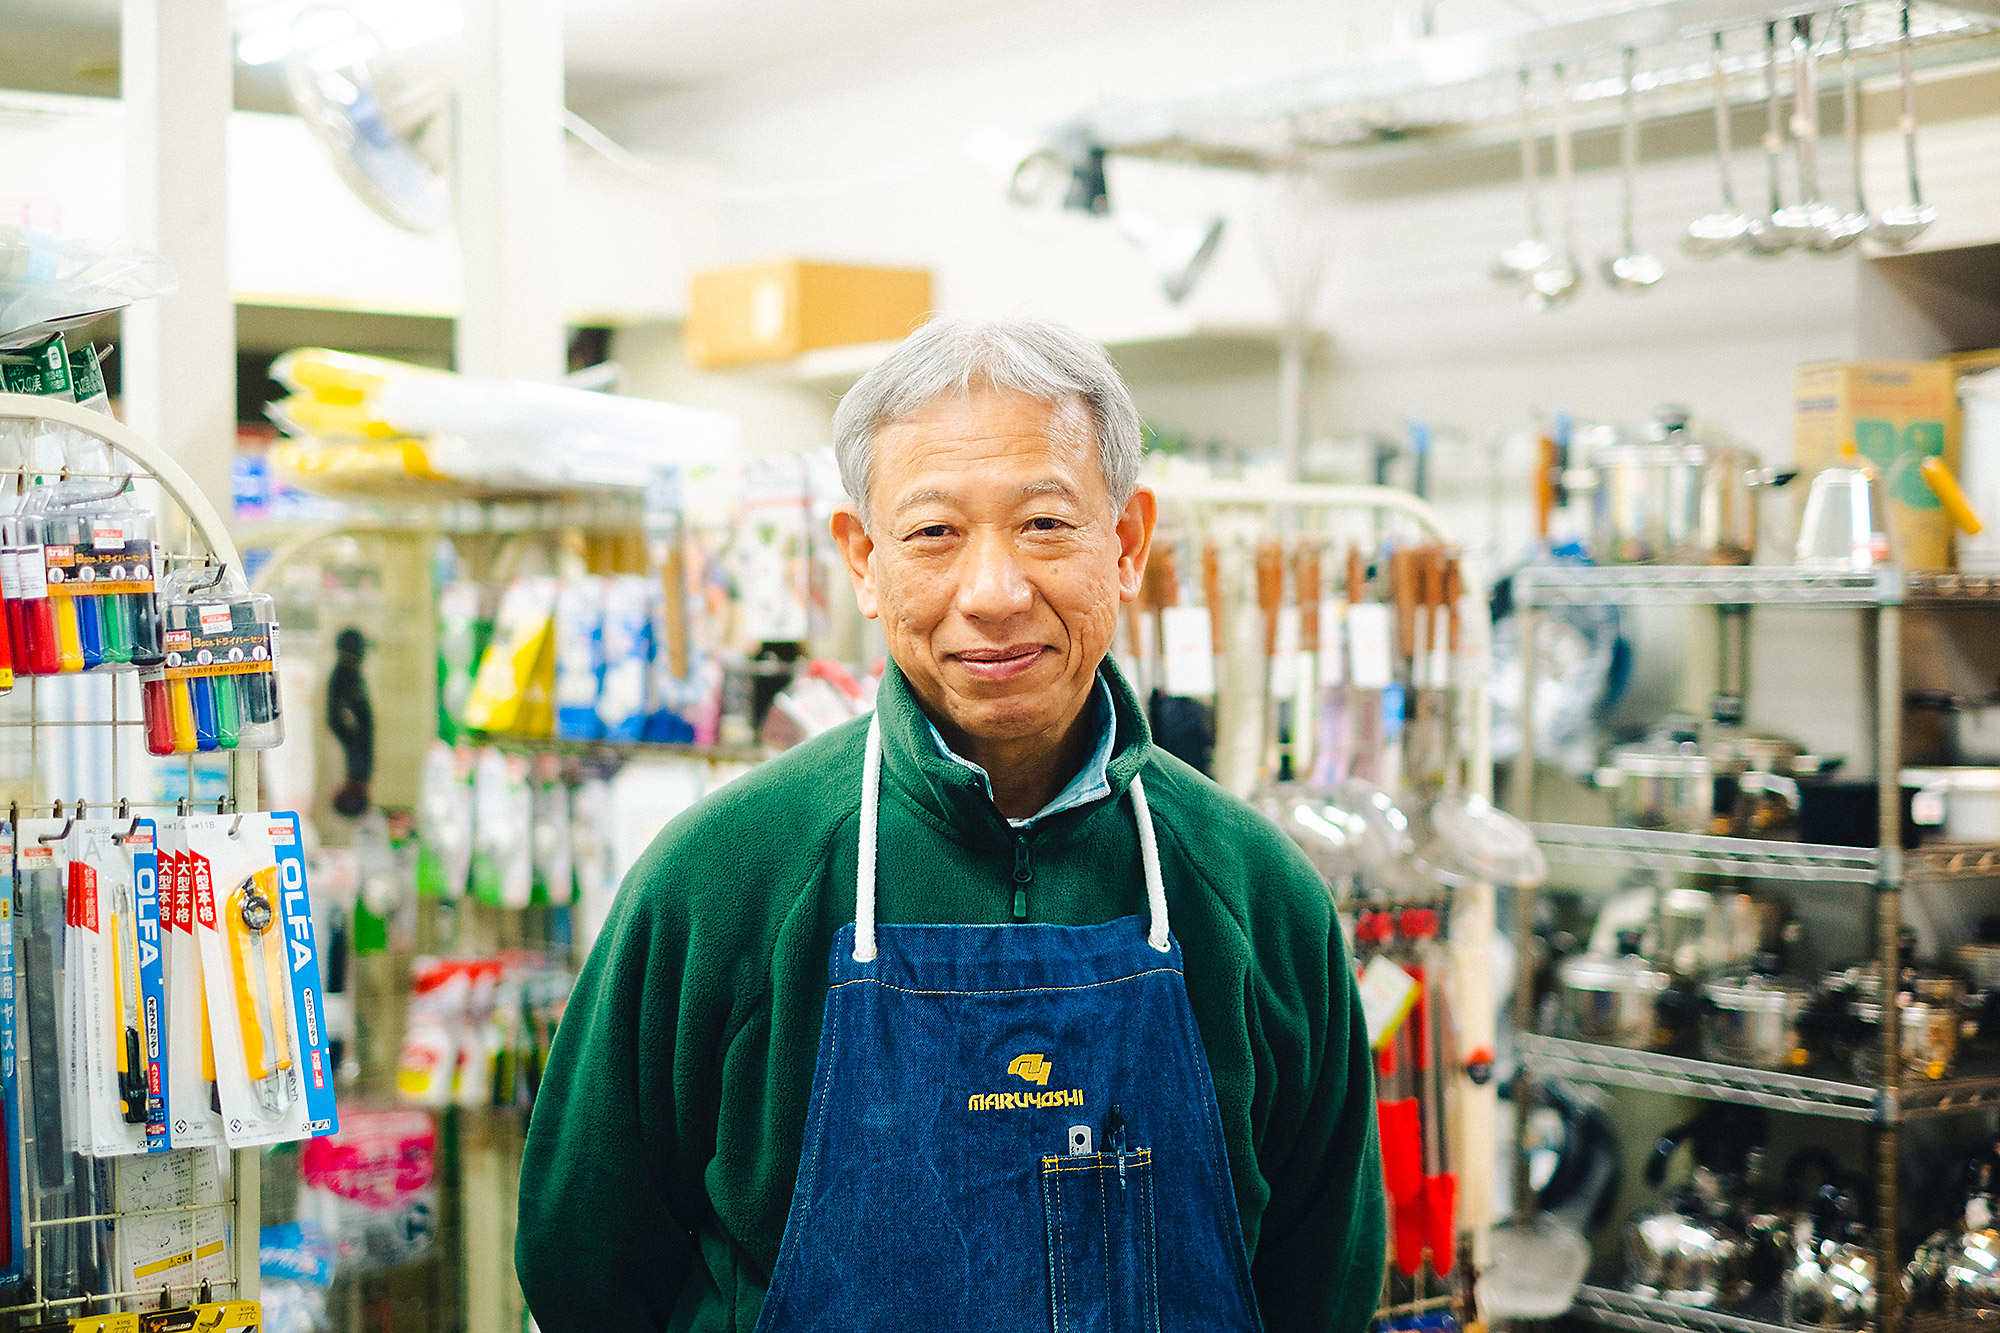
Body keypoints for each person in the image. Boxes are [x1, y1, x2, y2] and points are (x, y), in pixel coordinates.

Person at [517, 317, 1385, 1331]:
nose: (992, 593)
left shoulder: (1253, 894)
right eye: (933, 533)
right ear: (863, 561)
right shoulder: (723, 880)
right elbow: (585, 1265)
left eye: (1044, 525)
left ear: (1128, 543)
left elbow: (1321, 1285)